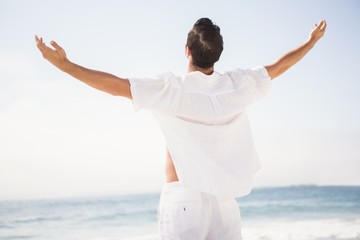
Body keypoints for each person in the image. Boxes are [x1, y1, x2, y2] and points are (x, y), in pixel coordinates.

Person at [35, 18, 327, 240]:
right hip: (225, 201)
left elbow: (115, 86)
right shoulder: (240, 85)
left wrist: (66, 65)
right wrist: (311, 42)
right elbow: (278, 68)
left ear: (187, 51)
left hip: (183, 197)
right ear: (217, 55)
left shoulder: (171, 89)